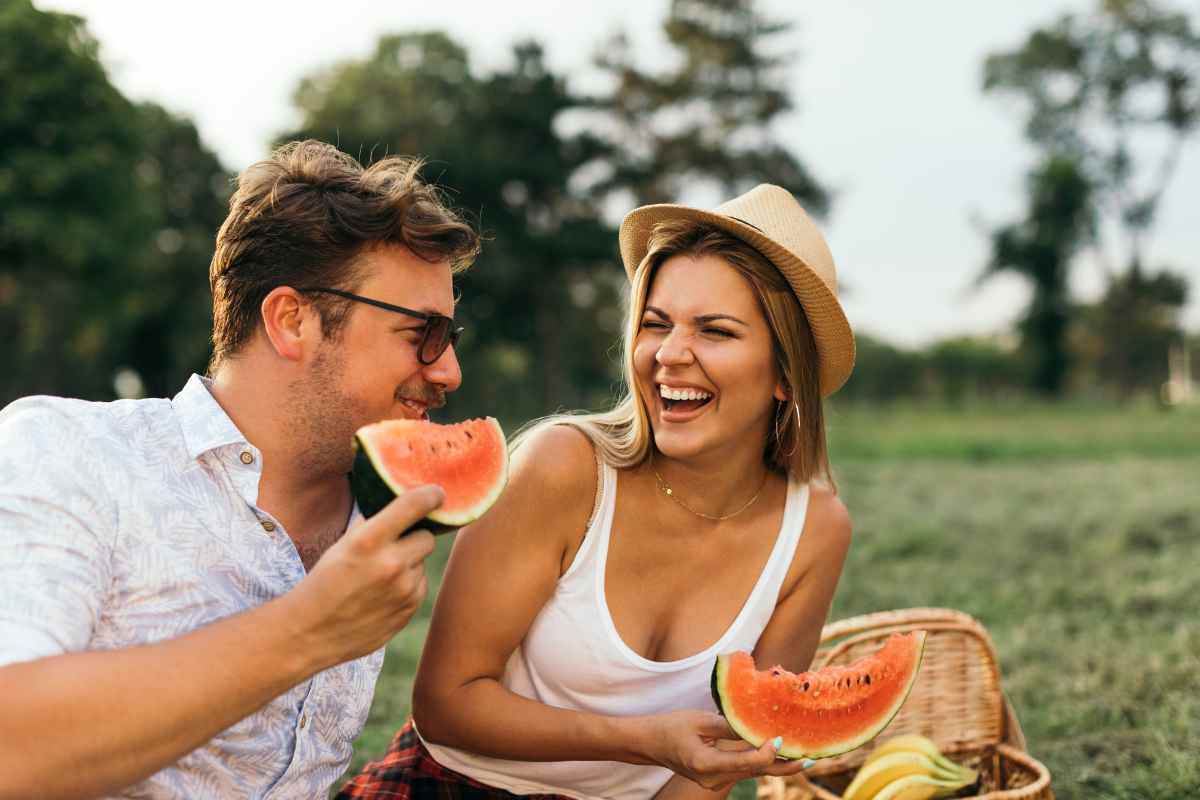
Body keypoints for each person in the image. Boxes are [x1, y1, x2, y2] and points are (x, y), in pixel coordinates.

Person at [339, 184, 857, 800]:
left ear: (784, 373)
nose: (668, 354)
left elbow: (723, 757)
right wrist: (644, 739)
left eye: (715, 331)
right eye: (656, 323)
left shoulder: (816, 529)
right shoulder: (565, 467)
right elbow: (444, 705)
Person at [0, 140, 480, 799]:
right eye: (422, 333)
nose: (448, 369)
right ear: (293, 320)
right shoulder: (71, 455)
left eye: (450, 339)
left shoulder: (373, 525)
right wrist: (311, 629)